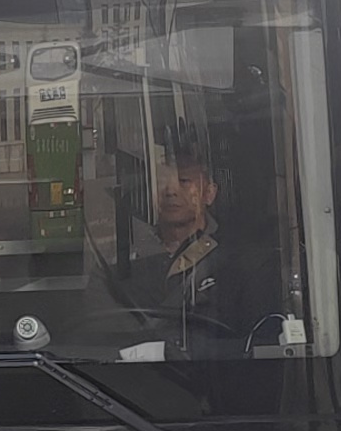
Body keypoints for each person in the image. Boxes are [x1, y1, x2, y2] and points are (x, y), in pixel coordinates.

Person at [110, 143, 285, 351]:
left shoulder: (241, 261)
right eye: (161, 182)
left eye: (183, 181)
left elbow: (259, 344)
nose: (170, 191)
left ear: (209, 193)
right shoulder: (124, 258)